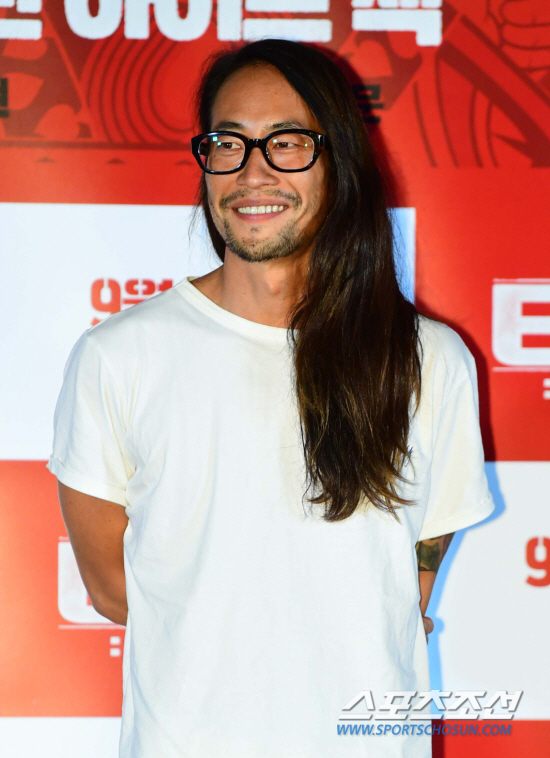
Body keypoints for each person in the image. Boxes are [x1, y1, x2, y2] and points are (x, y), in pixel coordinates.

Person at [47, 38, 495, 758]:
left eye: (287, 143)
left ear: (338, 162)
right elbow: (109, 586)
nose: (253, 172)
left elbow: (415, 567)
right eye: (229, 143)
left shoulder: (427, 359)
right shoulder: (119, 356)